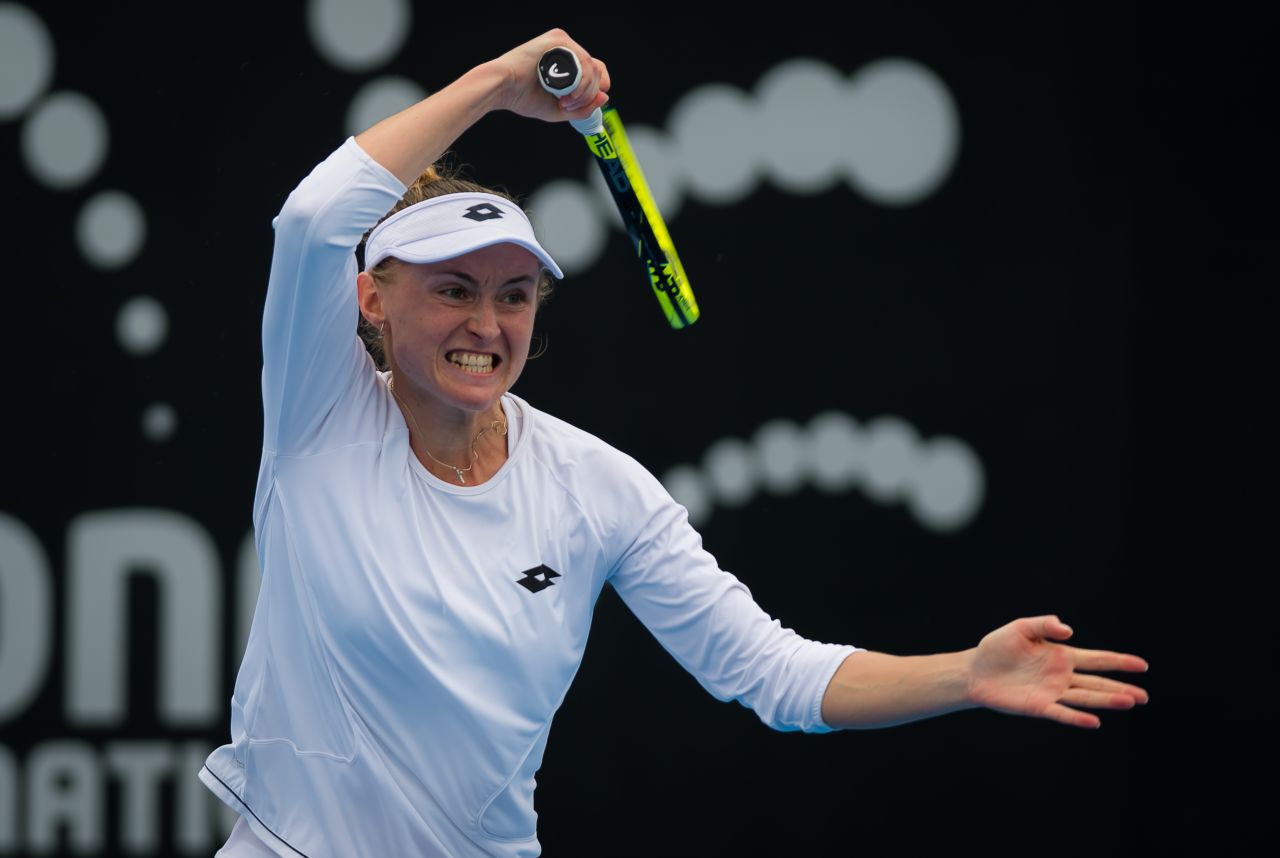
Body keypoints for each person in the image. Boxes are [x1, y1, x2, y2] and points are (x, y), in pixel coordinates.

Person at [201, 29, 1149, 858]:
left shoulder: (597, 488)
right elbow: (314, 219)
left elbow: (773, 672)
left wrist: (968, 676)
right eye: (453, 289)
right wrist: (498, 83)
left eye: (514, 295)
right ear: (373, 298)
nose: (486, 323)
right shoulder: (317, 417)